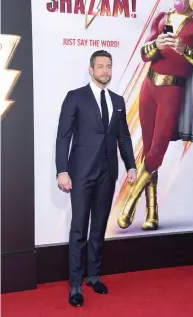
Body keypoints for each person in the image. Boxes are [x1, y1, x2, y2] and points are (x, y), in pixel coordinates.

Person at [117, 0, 193, 231]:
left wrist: (184, 50)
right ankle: (152, 213)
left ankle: (129, 201)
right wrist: (157, 44)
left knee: (156, 151)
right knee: (149, 150)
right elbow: (144, 54)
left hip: (174, 90)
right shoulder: (162, 18)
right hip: (150, 87)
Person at [56, 50, 137, 307]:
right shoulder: (75, 97)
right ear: (91, 69)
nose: (105, 70)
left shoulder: (118, 100)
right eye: (100, 66)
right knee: (79, 228)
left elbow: (123, 137)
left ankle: (93, 275)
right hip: (80, 173)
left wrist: (132, 166)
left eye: (108, 66)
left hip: (107, 174)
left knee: (99, 227)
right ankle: (76, 284)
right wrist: (62, 170)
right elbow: (63, 137)